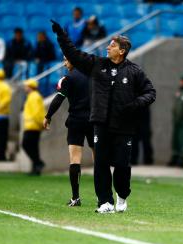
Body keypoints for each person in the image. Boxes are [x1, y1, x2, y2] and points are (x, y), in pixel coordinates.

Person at [51, 20, 156, 213]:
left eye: (112, 45)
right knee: (101, 164)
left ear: (122, 51)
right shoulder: (97, 65)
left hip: (124, 126)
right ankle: (105, 202)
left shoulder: (134, 71)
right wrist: (61, 35)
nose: (108, 47)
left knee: (122, 166)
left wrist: (134, 105)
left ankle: (122, 194)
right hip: (100, 124)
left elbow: (150, 92)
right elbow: (74, 54)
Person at [43, 57, 94, 207]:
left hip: (76, 121)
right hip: (94, 120)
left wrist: (48, 116)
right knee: (99, 159)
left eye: (66, 60)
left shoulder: (68, 78)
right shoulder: (93, 76)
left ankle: (75, 198)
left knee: (75, 159)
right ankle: (102, 198)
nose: (64, 64)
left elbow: (59, 99)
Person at [22, 79, 46, 175]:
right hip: (32, 125)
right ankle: (36, 168)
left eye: (26, 86)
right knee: (34, 148)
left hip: (33, 126)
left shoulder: (34, 97)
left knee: (26, 145)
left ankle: (38, 163)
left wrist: (40, 123)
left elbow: (36, 113)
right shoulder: (33, 96)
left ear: (30, 86)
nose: (25, 88)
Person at [168, 72, 183, 167]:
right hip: (176, 121)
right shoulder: (179, 92)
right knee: (175, 141)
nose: (182, 82)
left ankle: (182, 160)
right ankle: (175, 158)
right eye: (181, 80)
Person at [0, 69, 12, 161]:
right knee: (2, 138)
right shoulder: (5, 87)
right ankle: (1, 156)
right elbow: (7, 100)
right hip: (2, 116)